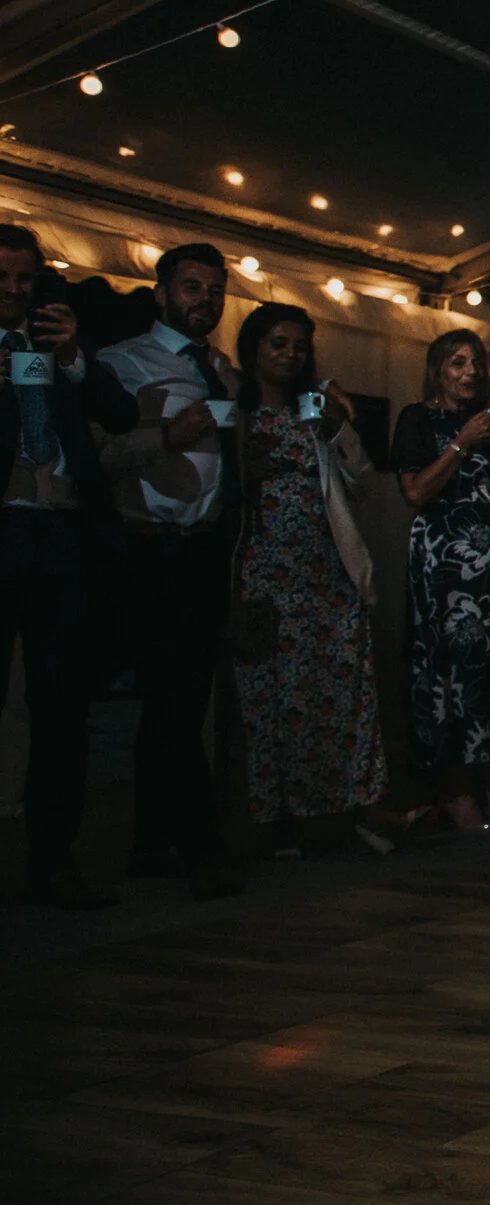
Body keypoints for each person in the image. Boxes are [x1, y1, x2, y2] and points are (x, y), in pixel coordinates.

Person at [226, 303, 406, 857]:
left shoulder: (315, 414)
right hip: (264, 575)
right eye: (278, 343)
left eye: (299, 346)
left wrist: (339, 430)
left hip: (328, 575)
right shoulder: (237, 410)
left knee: (339, 693)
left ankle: (345, 808)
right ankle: (273, 819)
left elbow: (363, 483)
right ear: (254, 348)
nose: (289, 354)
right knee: (269, 699)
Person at [96, 242, 245, 897]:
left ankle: (151, 843)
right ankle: (199, 843)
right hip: (149, 548)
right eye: (191, 287)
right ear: (161, 293)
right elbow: (98, 454)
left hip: (205, 549)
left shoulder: (221, 369)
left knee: (181, 700)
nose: (204, 300)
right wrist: (166, 437)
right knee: (172, 698)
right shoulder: (121, 361)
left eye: (214, 290)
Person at [0, 224, 138, 907]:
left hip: (61, 537)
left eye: (24, 279)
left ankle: (52, 861)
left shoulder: (57, 345)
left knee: (61, 707)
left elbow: (122, 412)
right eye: (1, 279)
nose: (13, 291)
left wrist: (75, 355)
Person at [393, 330, 490, 835]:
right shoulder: (417, 418)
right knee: (452, 668)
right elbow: (415, 491)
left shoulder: (488, 423)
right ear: (437, 372)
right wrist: (461, 443)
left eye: (475, 363)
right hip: (444, 565)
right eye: (457, 362)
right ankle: (455, 790)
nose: (469, 371)